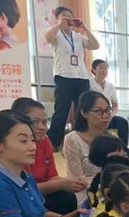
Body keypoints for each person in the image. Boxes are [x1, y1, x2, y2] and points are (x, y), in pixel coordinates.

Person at [11, 97, 85, 215]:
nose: (42, 127)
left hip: (41, 193)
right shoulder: (13, 149)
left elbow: (52, 176)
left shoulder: (44, 140)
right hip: (23, 198)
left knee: (68, 197)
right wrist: (60, 184)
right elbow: (23, 190)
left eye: (45, 122)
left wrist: (71, 182)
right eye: (34, 121)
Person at [44, 6, 100, 149]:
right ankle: (53, 143)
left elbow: (95, 45)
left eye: (69, 15)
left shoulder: (78, 37)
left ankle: (83, 140)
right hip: (63, 76)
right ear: (57, 19)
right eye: (64, 15)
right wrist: (59, 25)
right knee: (61, 111)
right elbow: (47, 38)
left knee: (83, 110)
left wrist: (84, 28)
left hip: (81, 77)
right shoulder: (56, 34)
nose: (67, 17)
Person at [89, 59, 129, 146]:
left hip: (108, 114)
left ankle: (122, 148)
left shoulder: (110, 86)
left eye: (106, 68)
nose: (104, 70)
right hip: (95, 115)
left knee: (122, 122)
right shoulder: (89, 84)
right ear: (94, 70)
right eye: (101, 68)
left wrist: (112, 114)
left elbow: (115, 105)